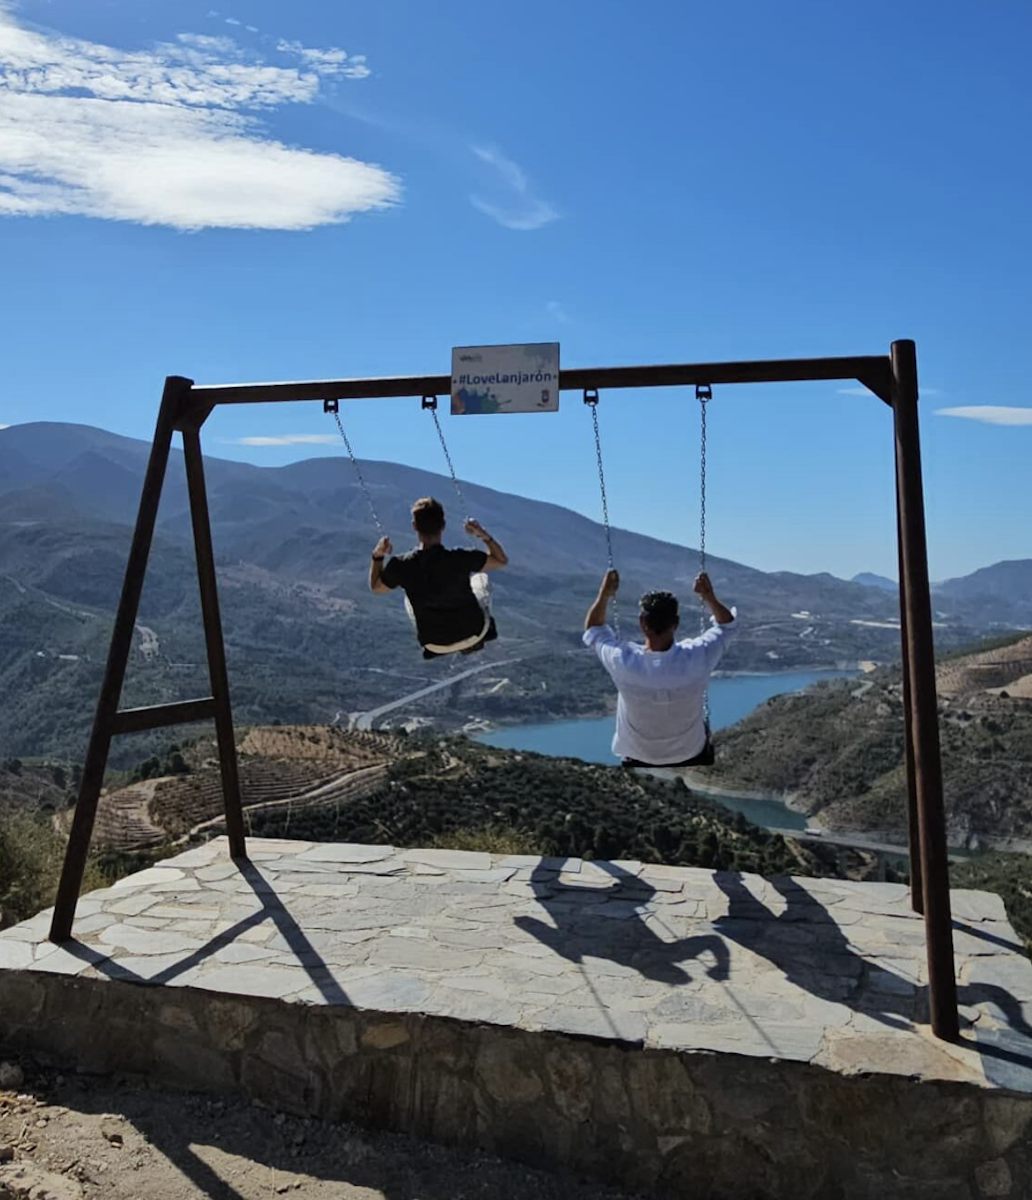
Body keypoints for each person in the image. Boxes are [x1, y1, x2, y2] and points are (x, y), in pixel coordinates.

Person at [583, 569, 737, 768]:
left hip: (635, 752)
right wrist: (708, 596)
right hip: (689, 751)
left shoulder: (622, 659)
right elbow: (728, 627)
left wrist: (604, 594)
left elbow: (593, 629)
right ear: (676, 624)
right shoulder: (698, 656)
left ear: (642, 623)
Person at [369, 496, 509, 658]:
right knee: (480, 579)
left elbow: (377, 587)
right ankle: (487, 630)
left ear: (414, 526)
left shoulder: (402, 565)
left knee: (408, 599)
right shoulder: (459, 558)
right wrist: (482, 534)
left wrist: (377, 556)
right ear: (443, 526)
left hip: (434, 644)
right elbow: (500, 560)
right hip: (475, 632)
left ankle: (437, 635)